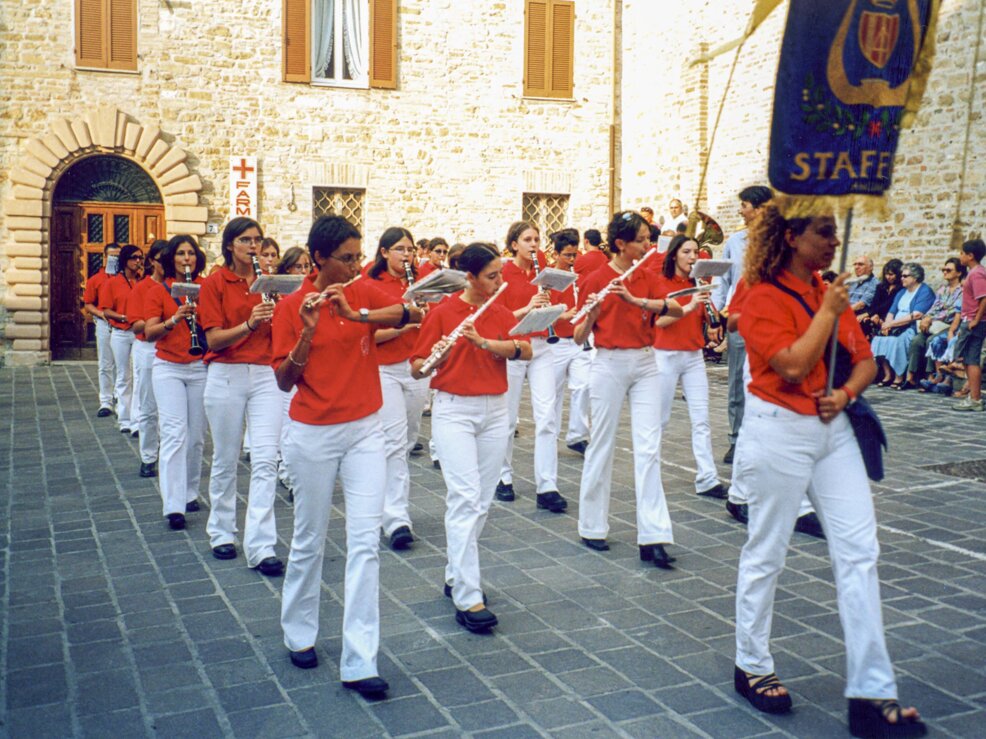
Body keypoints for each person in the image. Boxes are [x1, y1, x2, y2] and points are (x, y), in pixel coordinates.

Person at [732, 202, 924, 738]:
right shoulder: (761, 295)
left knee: (860, 552)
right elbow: (791, 364)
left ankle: (871, 692)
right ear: (791, 236)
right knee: (767, 550)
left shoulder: (827, 290)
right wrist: (829, 311)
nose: (832, 242)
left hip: (832, 428)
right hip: (778, 429)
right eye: (823, 232)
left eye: (834, 232)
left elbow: (863, 361)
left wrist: (842, 395)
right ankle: (751, 663)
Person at [273, 215, 421, 698]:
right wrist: (308, 332)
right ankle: (299, 631)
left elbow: (411, 314)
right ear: (318, 258)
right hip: (312, 432)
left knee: (364, 544)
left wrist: (358, 317)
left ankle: (361, 660)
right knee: (310, 537)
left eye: (359, 257)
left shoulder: (360, 292)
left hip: (364, 429)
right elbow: (284, 380)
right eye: (346, 258)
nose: (356, 266)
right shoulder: (292, 306)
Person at [411, 243, 533, 633]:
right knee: (464, 498)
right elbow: (416, 368)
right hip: (455, 411)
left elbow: (524, 349)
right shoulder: (443, 313)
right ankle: (468, 594)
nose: (500, 282)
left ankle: (454, 572)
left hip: (496, 410)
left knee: (480, 500)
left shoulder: (497, 312)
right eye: (492, 276)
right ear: (471, 278)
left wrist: (485, 343)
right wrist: (440, 355)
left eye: (500, 274)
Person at [573, 211, 684, 567]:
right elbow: (577, 337)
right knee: (601, 444)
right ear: (621, 243)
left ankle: (653, 535)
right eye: (640, 240)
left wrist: (638, 302)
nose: (647, 245)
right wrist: (592, 313)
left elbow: (675, 308)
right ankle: (592, 526)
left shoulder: (647, 274)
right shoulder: (595, 278)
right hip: (608, 362)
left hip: (646, 362)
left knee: (649, 448)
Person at [198, 217, 284, 577]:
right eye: (246, 240)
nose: (254, 247)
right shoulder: (215, 282)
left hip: (265, 373)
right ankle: (221, 531)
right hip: (227, 373)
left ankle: (262, 544)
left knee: (266, 459)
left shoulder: (269, 282)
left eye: (258, 241)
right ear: (230, 245)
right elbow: (214, 339)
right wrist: (250, 323)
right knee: (226, 457)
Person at [495, 221, 567, 513]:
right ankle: (503, 476)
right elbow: (497, 318)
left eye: (537, 239)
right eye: (527, 239)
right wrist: (527, 307)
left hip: (541, 346)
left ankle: (547, 485)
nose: (534, 244)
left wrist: (550, 307)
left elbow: (559, 309)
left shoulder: (544, 272)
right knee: (508, 417)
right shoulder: (501, 273)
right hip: (513, 347)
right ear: (514, 244)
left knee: (547, 416)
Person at [367, 227, 430, 550]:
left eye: (410, 250)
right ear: (384, 252)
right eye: (400, 250)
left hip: (416, 367)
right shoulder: (370, 283)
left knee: (407, 440)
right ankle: (396, 518)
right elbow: (367, 336)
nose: (407, 255)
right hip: (384, 369)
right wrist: (405, 324)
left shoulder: (417, 281)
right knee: (392, 441)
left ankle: (385, 503)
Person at [653, 235, 726, 500]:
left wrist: (712, 318)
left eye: (696, 251)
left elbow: (709, 316)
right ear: (674, 255)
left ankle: (707, 478)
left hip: (693, 355)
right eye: (687, 252)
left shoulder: (697, 282)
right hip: (665, 354)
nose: (693, 257)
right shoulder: (661, 283)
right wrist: (689, 305)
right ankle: (650, 474)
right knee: (660, 419)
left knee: (702, 419)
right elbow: (657, 323)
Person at [143, 235, 209, 531]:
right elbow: (149, 332)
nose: (186, 258)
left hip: (199, 367)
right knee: (174, 434)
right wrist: (175, 319)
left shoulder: (206, 288)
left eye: (191, 253)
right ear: (172, 258)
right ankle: (173, 505)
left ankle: (190, 492)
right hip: (168, 367)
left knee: (196, 436)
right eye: (181, 253)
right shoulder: (158, 291)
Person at [710, 185, 773, 465]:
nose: (741, 210)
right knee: (737, 380)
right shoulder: (735, 242)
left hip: (773, 321)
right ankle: (737, 439)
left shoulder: (783, 241)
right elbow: (722, 279)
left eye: (745, 205)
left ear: (761, 209)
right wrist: (716, 313)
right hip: (740, 319)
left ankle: (768, 438)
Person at [546, 229, 591, 455]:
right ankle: (550, 438)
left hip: (577, 340)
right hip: (555, 342)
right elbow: (543, 309)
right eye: (567, 256)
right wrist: (563, 315)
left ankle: (577, 435)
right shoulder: (549, 278)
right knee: (553, 392)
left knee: (583, 385)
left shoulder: (577, 278)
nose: (572, 261)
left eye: (575, 255)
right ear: (556, 254)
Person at [129, 240, 168, 477]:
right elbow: (135, 325)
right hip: (149, 347)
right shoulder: (141, 288)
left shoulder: (180, 286)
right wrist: (160, 318)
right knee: (148, 404)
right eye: (161, 259)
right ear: (152, 261)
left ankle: (169, 454)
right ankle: (148, 455)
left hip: (175, 348)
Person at [98, 243, 144, 435]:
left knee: (139, 376)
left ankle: (137, 419)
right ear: (125, 260)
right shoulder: (112, 282)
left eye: (141, 257)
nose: (138, 261)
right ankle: (124, 418)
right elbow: (106, 309)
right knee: (124, 375)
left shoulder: (143, 281)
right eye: (134, 257)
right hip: (121, 332)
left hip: (139, 332)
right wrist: (124, 317)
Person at [871, 263, 935, 388]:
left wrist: (891, 324)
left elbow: (916, 315)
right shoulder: (902, 292)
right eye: (901, 276)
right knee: (879, 339)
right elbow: (892, 311)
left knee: (898, 341)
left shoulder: (924, 291)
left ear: (915, 278)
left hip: (910, 327)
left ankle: (899, 376)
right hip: (895, 326)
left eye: (905, 276)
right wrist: (887, 325)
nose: (902, 278)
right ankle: (888, 374)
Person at [83, 242, 121, 417]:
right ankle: (105, 401)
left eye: (118, 256)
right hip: (105, 323)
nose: (115, 259)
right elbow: (88, 303)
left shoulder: (128, 278)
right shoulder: (95, 280)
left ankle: (121, 399)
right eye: (112, 255)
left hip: (124, 325)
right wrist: (100, 313)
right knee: (105, 363)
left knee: (124, 364)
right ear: (105, 257)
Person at [952, 239, 986, 411]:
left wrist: (975, 320)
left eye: (962, 253)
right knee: (968, 360)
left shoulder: (977, 274)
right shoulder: (974, 273)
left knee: (971, 360)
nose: (960, 256)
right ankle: (974, 397)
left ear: (970, 256)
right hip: (971, 320)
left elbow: (984, 298)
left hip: (974, 322)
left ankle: (975, 399)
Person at [859, 259, 903, 338]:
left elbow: (889, 304)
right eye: (886, 274)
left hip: (891, 316)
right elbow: (874, 303)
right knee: (864, 322)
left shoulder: (901, 289)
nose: (888, 277)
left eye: (891, 274)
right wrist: (874, 315)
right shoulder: (881, 287)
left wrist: (870, 314)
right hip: (877, 314)